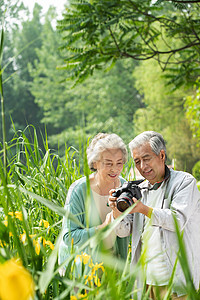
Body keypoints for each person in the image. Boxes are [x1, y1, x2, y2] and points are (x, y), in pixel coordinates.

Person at [108, 131, 200, 299]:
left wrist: (144, 209)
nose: (142, 166)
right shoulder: (139, 190)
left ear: (162, 155)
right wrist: (116, 210)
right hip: (146, 282)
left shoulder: (185, 182)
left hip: (176, 282)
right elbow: (122, 231)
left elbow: (177, 220)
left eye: (146, 158)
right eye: (137, 162)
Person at [58, 133, 129, 277]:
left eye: (119, 163)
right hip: (80, 268)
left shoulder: (124, 185)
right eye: (108, 163)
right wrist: (103, 228)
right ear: (95, 162)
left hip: (112, 264)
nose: (114, 169)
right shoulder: (79, 189)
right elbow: (69, 237)